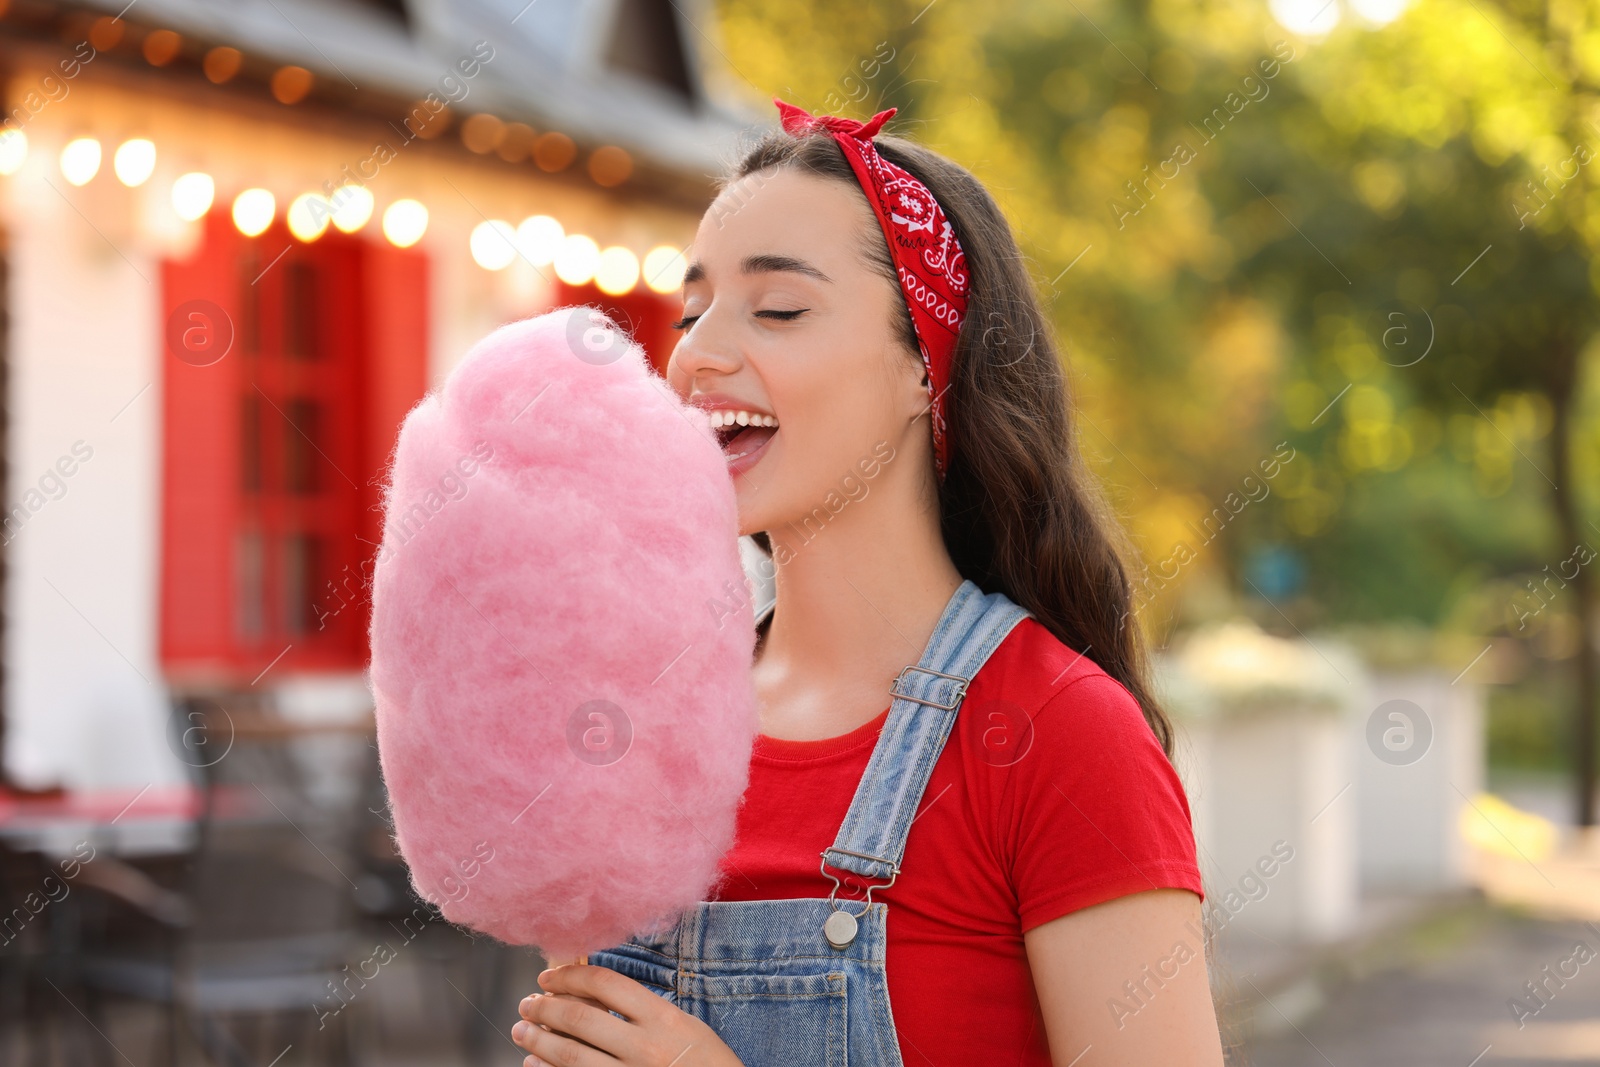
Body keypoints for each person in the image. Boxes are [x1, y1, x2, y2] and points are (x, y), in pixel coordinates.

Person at [509, 98, 1224, 1067]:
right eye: (692, 310)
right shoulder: (645, 721)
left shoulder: (1062, 735)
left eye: (779, 309)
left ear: (928, 369)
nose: (695, 354)